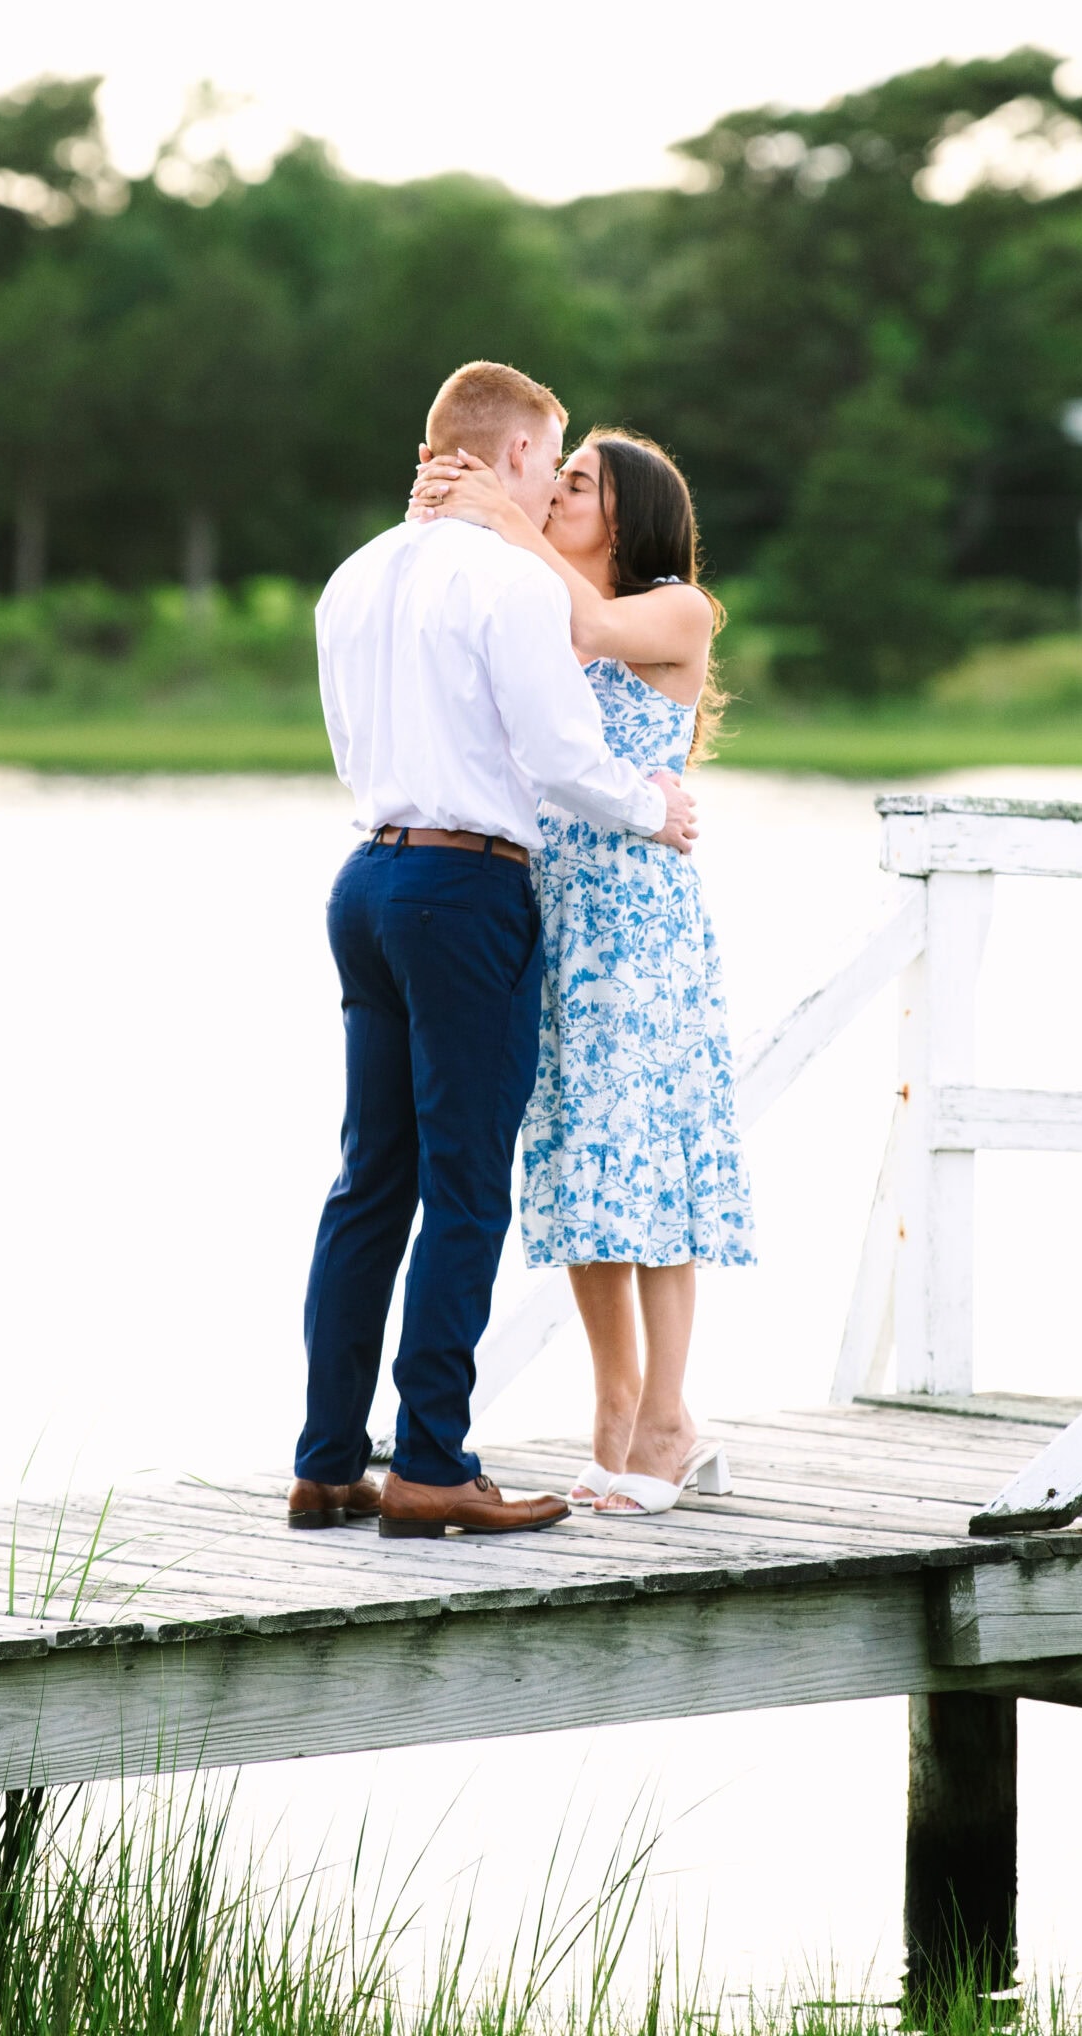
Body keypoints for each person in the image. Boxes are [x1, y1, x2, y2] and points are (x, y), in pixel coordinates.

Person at [291, 363, 700, 1541]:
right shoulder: (506, 584)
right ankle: (430, 1463)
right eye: (552, 457)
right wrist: (650, 809)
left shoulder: (351, 576)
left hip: (365, 876)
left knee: (369, 1182)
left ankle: (327, 1464)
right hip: (464, 889)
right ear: (515, 455)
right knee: (466, 1188)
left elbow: (349, 742)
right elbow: (566, 756)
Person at [408, 427, 752, 1516]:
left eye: (576, 483)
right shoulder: (532, 607)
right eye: (552, 480)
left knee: (647, 1154)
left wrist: (504, 514)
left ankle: (668, 1414)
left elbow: (597, 622)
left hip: (637, 918)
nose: (552, 494)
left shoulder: (673, 610)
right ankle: (612, 1410)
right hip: (546, 907)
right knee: (574, 1161)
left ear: (631, 511)